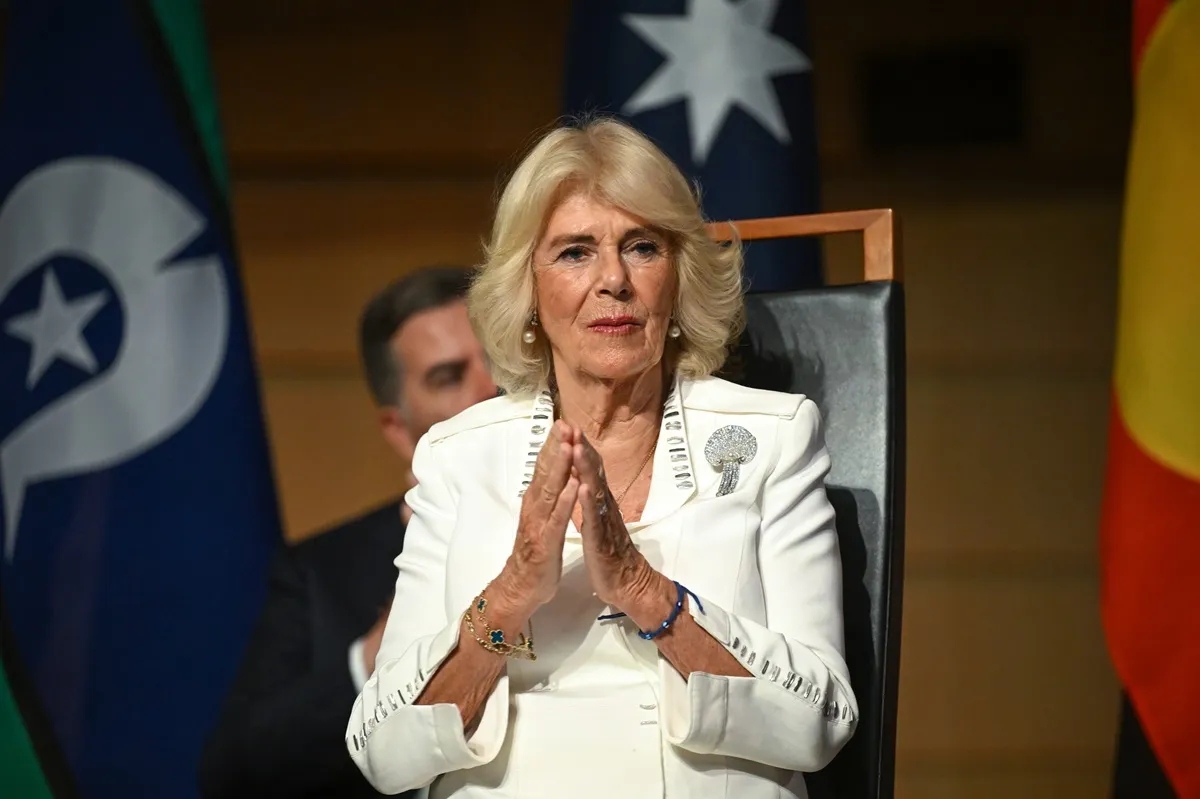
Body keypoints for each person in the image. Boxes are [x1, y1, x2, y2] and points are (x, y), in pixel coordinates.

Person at [344, 117, 858, 799]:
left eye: (642, 247)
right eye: (575, 252)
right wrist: (510, 598)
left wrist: (649, 596)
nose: (613, 279)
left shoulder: (772, 437)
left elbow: (822, 718)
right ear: (529, 290)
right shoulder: (459, 458)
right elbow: (381, 750)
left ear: (677, 278)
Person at [200, 266, 498, 799]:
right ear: (398, 429)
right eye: (449, 376)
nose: (490, 388)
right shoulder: (320, 573)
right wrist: (382, 649)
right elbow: (234, 775)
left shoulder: (618, 515)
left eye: (499, 360)